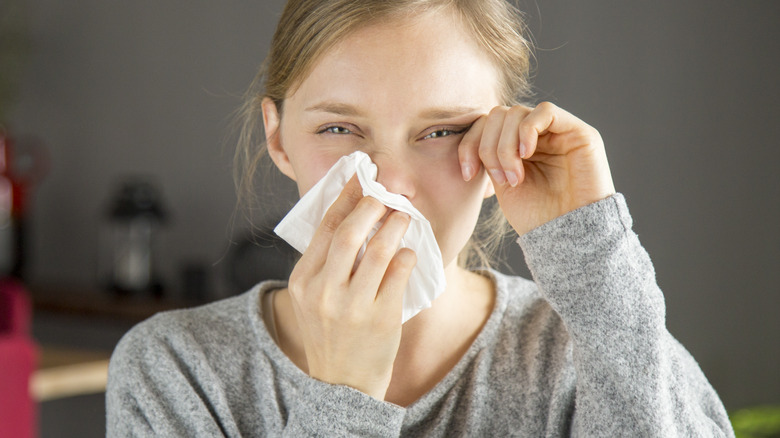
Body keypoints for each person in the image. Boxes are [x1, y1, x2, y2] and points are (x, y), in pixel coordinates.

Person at [106, 0, 734, 436]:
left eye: (440, 131)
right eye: (339, 128)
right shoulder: (176, 370)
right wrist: (343, 397)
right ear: (278, 140)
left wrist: (594, 261)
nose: (390, 184)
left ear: (501, 147)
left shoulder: (587, 345)